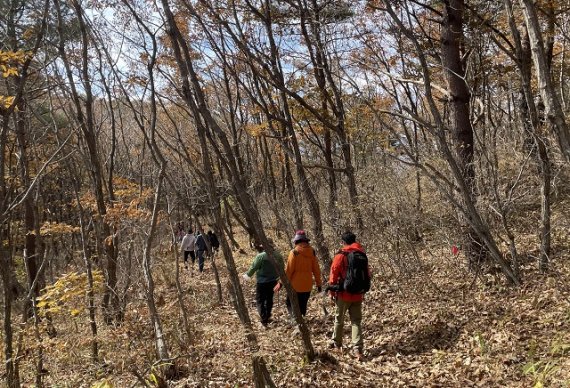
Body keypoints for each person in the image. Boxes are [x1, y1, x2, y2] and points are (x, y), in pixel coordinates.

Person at [328, 231, 371, 361]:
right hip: (358, 294)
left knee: (339, 319)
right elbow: (367, 274)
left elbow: (334, 273)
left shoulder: (341, 255)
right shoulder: (361, 254)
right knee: (356, 321)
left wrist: (332, 291)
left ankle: (337, 344)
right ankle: (357, 349)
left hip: (343, 293)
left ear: (343, 242)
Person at [242, 241, 283, 327]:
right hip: (273, 281)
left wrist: (247, 275)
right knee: (269, 299)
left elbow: (254, 267)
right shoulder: (278, 255)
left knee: (260, 300)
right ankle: (267, 315)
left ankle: (264, 318)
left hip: (262, 282)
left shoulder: (260, 256)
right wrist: (280, 281)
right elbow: (282, 268)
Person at [284, 230, 322, 318]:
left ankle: (296, 321)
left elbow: (289, 270)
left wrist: (282, 283)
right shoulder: (312, 252)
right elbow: (316, 269)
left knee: (290, 303)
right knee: (303, 304)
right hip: (307, 285)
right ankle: (302, 321)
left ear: (296, 241)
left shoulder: (294, 252)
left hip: (295, 286)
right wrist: (319, 284)